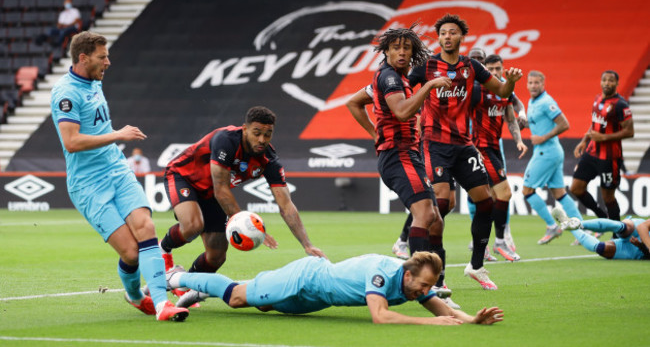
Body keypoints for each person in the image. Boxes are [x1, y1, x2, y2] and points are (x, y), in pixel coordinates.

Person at [49, 31, 188, 321]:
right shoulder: (66, 93)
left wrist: (114, 140)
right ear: (83, 58)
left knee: (146, 227)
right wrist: (118, 134)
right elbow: (71, 142)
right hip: (88, 185)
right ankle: (136, 296)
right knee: (131, 254)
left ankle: (162, 305)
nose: (108, 62)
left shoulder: (93, 80)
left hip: (117, 170)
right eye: (103, 57)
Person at [408, 14, 522, 290]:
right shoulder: (426, 66)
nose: (447, 36)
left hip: (463, 145)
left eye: (453, 33)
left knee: (486, 203)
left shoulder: (472, 67)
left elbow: (502, 90)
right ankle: (433, 272)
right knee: (442, 206)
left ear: (461, 38)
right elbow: (403, 92)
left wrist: (512, 81)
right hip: (435, 145)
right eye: (443, 33)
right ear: (439, 38)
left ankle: (476, 266)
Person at [346, 24, 452, 295]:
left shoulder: (393, 78)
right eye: (396, 48)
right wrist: (428, 85)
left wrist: (374, 133)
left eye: (407, 47)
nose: (402, 52)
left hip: (406, 153)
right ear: (387, 51)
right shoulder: (389, 77)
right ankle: (419, 286)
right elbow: (403, 112)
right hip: (398, 154)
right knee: (426, 214)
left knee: (435, 219)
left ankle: (436, 283)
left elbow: (354, 102)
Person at [159, 106, 326, 278]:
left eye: (267, 134)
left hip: (212, 194)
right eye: (257, 133)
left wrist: (307, 244)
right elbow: (221, 189)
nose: (262, 139)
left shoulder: (269, 161)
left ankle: (185, 284)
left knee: (217, 256)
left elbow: (286, 205)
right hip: (183, 177)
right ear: (245, 129)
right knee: (193, 225)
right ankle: (162, 249)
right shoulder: (226, 140)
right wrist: (246, 224)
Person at [167, 252, 504, 325]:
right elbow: (380, 316)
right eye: (426, 284)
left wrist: (472, 319)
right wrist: (429, 323)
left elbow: (443, 309)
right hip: (305, 277)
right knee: (238, 298)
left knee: (264, 306)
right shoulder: (382, 274)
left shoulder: (414, 286)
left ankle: (201, 289)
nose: (427, 291)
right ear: (411, 273)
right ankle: (179, 278)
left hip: (317, 300)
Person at [468, 53, 528, 261]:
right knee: (504, 193)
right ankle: (500, 242)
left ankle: (481, 245)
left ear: (502, 69)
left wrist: (519, 140)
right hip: (480, 148)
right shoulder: (476, 90)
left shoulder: (505, 91)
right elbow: (461, 115)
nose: (494, 73)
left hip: (494, 148)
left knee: (489, 199)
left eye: (497, 69)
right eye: (490, 70)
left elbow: (510, 118)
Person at [522, 71, 583, 245]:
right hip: (551, 151)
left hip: (546, 151)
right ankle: (582, 229)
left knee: (527, 190)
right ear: (526, 84)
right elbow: (537, 122)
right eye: (530, 83)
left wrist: (543, 138)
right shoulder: (532, 101)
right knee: (559, 193)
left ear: (543, 84)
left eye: (537, 83)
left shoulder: (546, 102)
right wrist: (524, 123)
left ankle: (551, 225)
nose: (533, 86)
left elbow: (564, 124)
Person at [569, 70, 634, 222]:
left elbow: (630, 131)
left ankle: (617, 233)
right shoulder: (598, 99)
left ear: (617, 83)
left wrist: (604, 137)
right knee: (576, 188)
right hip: (591, 153)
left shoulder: (621, 105)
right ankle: (602, 217)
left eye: (611, 80)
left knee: (608, 197)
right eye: (604, 80)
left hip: (609, 158)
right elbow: (595, 125)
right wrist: (584, 140)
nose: (607, 83)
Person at [552, 206, 650, 260]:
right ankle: (578, 224)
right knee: (625, 227)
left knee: (601, 248)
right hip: (639, 230)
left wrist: (641, 246)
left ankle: (567, 224)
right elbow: (642, 227)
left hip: (638, 251)